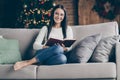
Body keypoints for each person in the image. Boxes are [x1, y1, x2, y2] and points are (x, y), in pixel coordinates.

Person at [13, 4, 73, 70]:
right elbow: (35, 45)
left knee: (63, 58)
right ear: (53, 14)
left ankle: (35, 61)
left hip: (54, 57)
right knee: (57, 48)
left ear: (64, 17)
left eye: (61, 15)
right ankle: (28, 62)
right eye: (56, 13)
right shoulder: (45, 28)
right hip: (43, 52)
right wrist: (46, 47)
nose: (58, 16)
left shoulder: (68, 29)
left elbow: (70, 46)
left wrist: (64, 48)